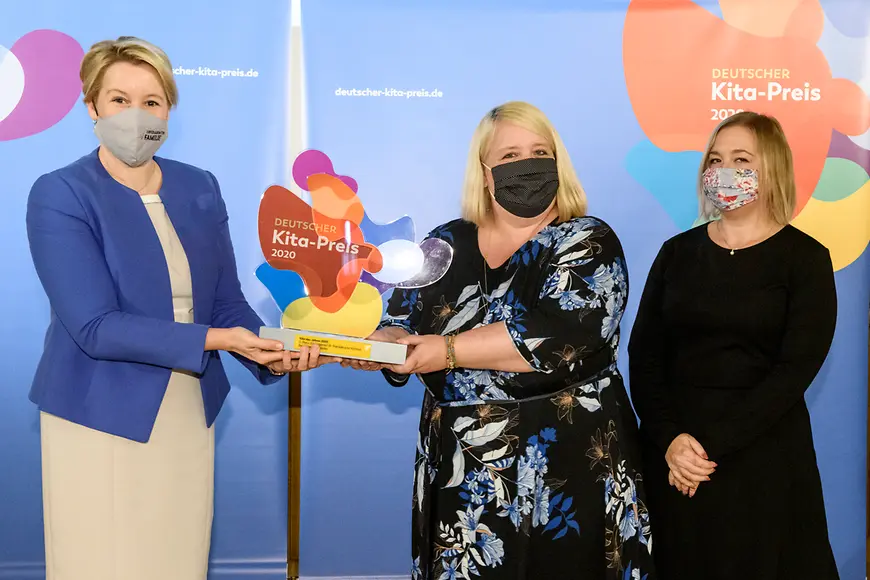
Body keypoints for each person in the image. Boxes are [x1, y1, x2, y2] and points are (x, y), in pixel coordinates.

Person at [25, 36, 322, 580]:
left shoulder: (198, 186)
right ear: (91, 106)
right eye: (119, 99)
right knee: (102, 562)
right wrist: (219, 341)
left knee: (177, 558)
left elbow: (226, 302)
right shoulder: (61, 193)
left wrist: (271, 352)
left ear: (169, 110)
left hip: (187, 407)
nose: (136, 114)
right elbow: (95, 327)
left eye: (152, 101)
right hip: (98, 411)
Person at [341, 101, 655, 579]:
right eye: (509, 156)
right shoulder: (444, 244)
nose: (526, 165)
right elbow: (401, 322)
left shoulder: (587, 240)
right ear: (484, 173)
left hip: (569, 472)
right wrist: (376, 347)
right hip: (463, 481)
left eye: (539, 152)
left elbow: (555, 337)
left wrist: (445, 351)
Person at [628, 111, 839, 580]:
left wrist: (706, 449)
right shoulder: (676, 253)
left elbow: (794, 371)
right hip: (674, 461)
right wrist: (670, 441)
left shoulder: (805, 260)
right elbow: (644, 358)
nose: (724, 170)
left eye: (741, 159)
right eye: (715, 159)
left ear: (772, 167)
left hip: (762, 461)